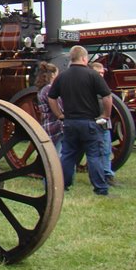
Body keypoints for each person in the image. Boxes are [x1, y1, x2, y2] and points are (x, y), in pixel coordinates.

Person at [48, 45, 113, 196]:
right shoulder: (93, 75)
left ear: (71, 58)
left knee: (68, 155)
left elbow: (52, 98)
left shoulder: (62, 76)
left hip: (69, 122)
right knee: (94, 155)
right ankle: (100, 188)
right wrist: (106, 115)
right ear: (84, 58)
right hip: (89, 122)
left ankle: (63, 185)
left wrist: (59, 114)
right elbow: (107, 97)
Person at [90, 62, 118, 186]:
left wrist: (106, 116)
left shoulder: (103, 85)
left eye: (102, 73)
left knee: (106, 150)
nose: (101, 75)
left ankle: (107, 174)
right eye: (98, 73)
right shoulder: (88, 86)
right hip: (91, 122)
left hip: (104, 123)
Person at [35, 62, 63, 155]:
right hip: (55, 125)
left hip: (48, 124)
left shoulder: (42, 89)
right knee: (58, 154)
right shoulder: (49, 89)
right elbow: (59, 107)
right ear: (53, 75)